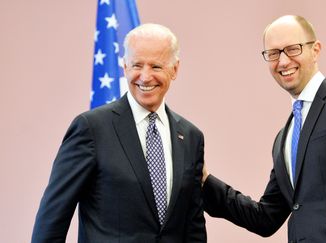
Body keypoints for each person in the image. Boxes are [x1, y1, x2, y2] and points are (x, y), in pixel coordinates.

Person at [202, 15, 326, 242]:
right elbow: (266, 217)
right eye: (273, 53)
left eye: (292, 49)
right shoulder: (285, 137)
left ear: (316, 50)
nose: (282, 62)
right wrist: (205, 182)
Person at [32, 24, 206, 243]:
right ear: (124, 66)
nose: (145, 76)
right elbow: (52, 220)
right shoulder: (91, 128)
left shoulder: (190, 137)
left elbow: (194, 227)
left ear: (175, 69)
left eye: (156, 66)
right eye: (137, 65)